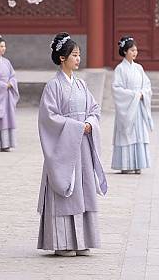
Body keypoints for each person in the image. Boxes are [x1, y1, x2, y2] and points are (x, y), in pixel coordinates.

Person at [37, 32, 107, 257]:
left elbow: (94, 109)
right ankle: (63, 242)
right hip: (65, 148)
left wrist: (89, 123)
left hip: (82, 147)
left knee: (83, 189)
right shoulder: (53, 86)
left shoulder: (81, 84)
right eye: (74, 55)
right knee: (67, 190)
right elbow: (49, 118)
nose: (78, 58)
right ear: (62, 58)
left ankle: (83, 240)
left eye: (79, 55)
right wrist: (77, 127)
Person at [111, 36, 153, 174]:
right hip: (127, 107)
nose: (135, 53)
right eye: (132, 50)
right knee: (126, 133)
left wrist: (143, 94)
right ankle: (126, 164)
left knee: (138, 134)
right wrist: (134, 95)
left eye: (136, 50)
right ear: (124, 52)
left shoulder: (139, 68)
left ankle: (138, 164)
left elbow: (147, 85)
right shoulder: (120, 69)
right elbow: (116, 89)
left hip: (138, 107)